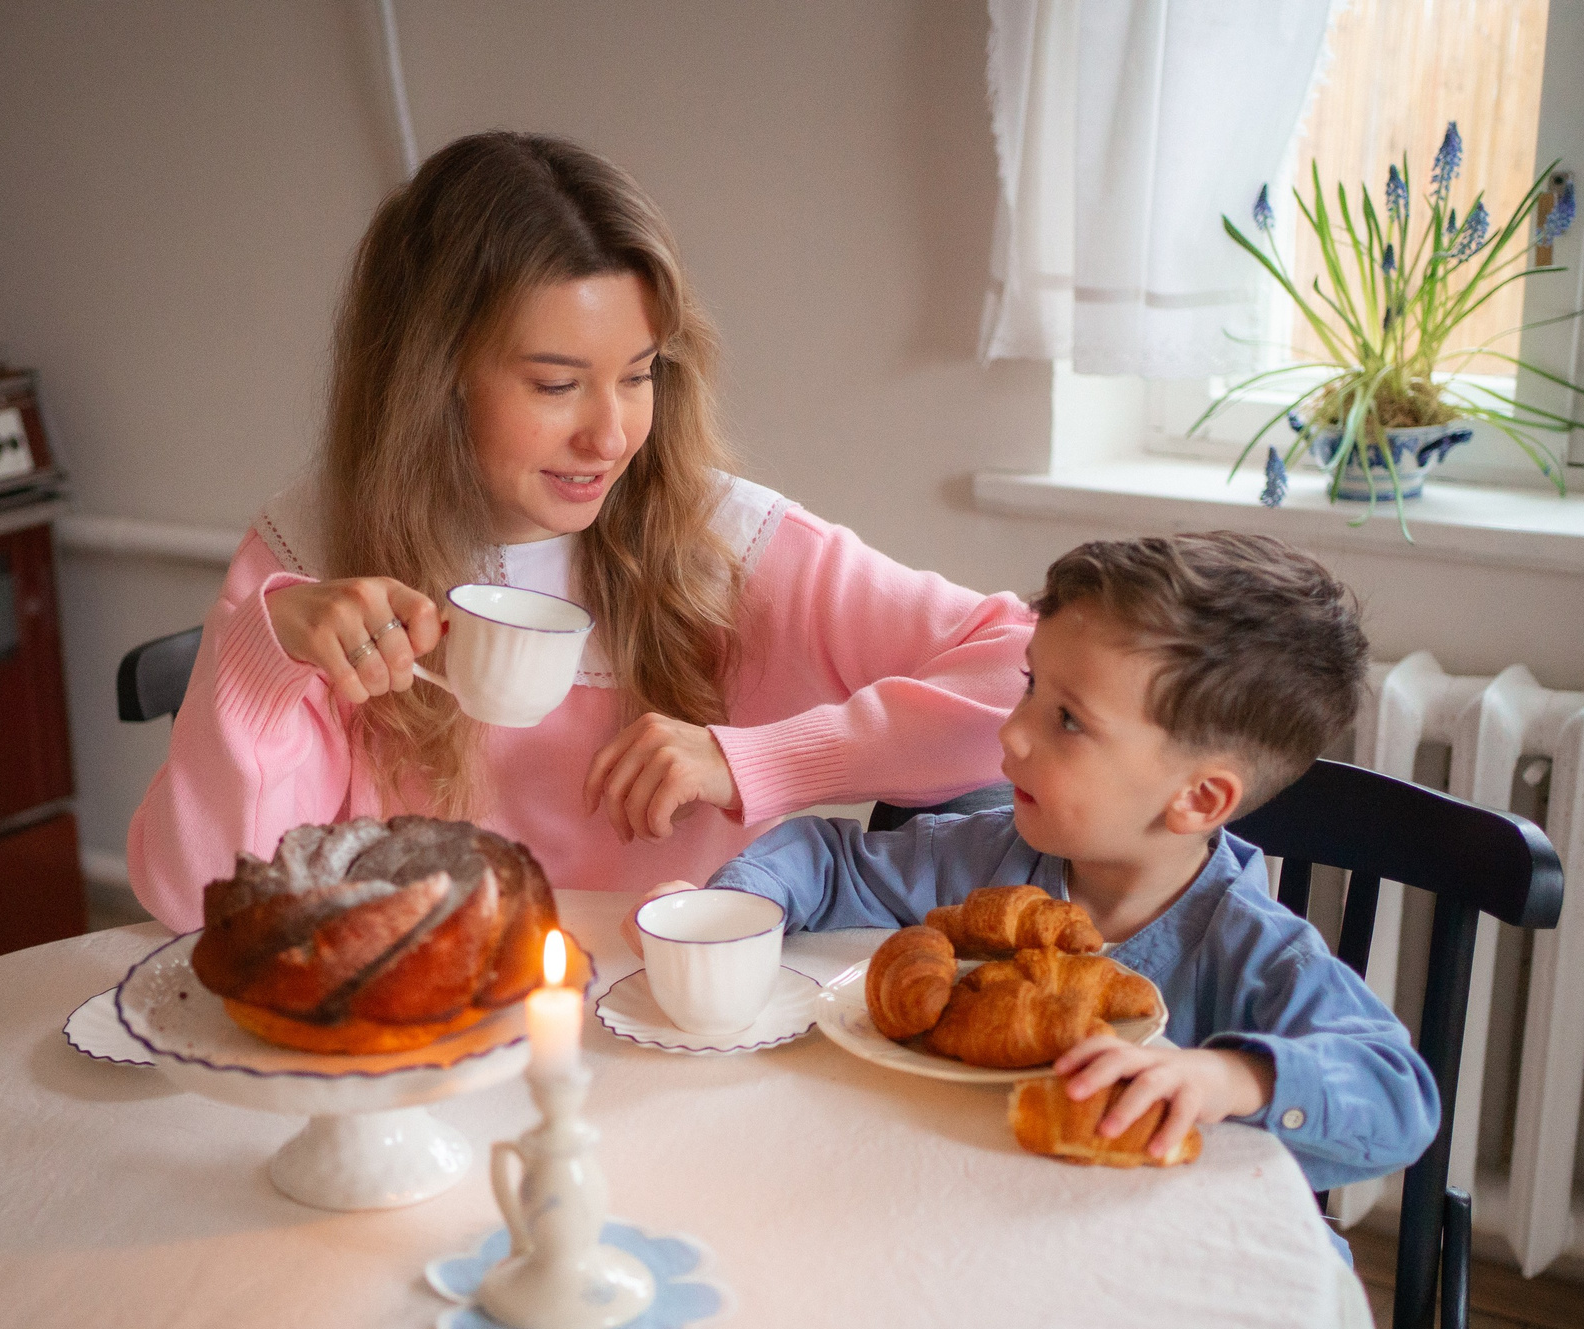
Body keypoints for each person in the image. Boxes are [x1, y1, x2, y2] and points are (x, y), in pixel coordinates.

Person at [678, 531, 1584, 1329]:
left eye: (1066, 720)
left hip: (1201, 1272)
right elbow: (825, 859)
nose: (1011, 735)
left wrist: (1231, 1081)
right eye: (1029, 688)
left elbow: (1398, 1097)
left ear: (1197, 799)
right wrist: (745, 904)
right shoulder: (989, 866)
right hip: (1010, 1246)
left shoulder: (1249, 945)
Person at [126, 132, 1033, 928]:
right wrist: (268, 657)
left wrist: (757, 761)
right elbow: (201, 904)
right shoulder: (312, 548)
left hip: (670, 1036)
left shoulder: (728, 546)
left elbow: (1025, 673)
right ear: (433, 378)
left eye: (638, 376)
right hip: (414, 1036)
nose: (610, 436)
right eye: (557, 385)